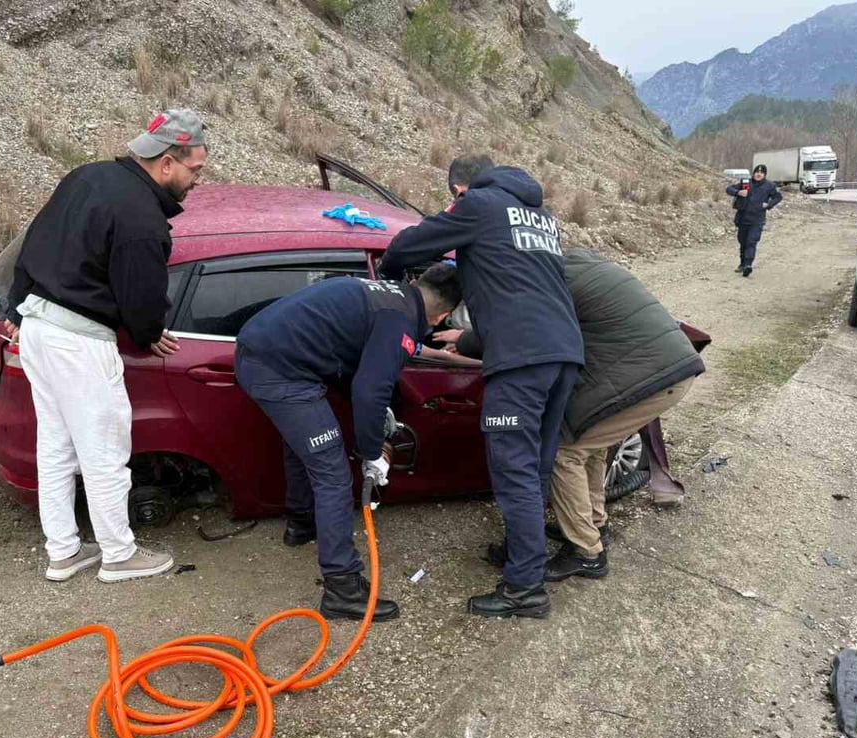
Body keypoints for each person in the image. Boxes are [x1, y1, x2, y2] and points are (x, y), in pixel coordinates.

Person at [4, 108, 207, 583]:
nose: (198, 180)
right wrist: (149, 332)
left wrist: (17, 309)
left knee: (56, 448)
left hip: (38, 328)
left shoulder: (85, 177)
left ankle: (64, 551)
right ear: (166, 164)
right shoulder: (142, 220)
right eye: (195, 170)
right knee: (105, 453)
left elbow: (32, 243)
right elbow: (142, 298)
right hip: (79, 342)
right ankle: (118, 554)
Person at [379, 156, 584, 620]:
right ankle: (522, 556)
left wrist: (390, 276)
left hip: (521, 359)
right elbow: (519, 286)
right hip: (563, 353)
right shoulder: (540, 216)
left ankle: (525, 588)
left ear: (459, 190)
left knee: (513, 470)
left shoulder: (478, 205)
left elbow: (407, 245)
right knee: (533, 468)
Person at [445, 250, 704, 580]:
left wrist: (464, 341)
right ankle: (593, 525)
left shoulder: (543, 282)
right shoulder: (568, 262)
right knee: (591, 448)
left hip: (647, 376)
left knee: (564, 453)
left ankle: (587, 553)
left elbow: (518, 330)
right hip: (665, 367)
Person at [235, 265, 462, 621]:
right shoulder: (400, 322)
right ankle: (342, 587)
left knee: (305, 446)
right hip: (280, 370)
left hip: (267, 352)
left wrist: (383, 412)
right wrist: (371, 453)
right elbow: (369, 390)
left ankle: (301, 523)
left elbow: (353, 364)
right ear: (443, 316)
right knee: (333, 474)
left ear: (417, 282)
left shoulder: (388, 296)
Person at [726, 164, 782, 277]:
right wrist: (738, 192)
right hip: (743, 217)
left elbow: (778, 197)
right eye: (757, 171)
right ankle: (742, 264)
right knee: (743, 242)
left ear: (764, 174)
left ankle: (748, 265)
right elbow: (729, 189)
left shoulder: (769, 186)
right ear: (754, 173)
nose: (759, 174)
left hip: (757, 219)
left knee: (751, 242)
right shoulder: (746, 183)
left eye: (761, 172)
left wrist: (769, 205)